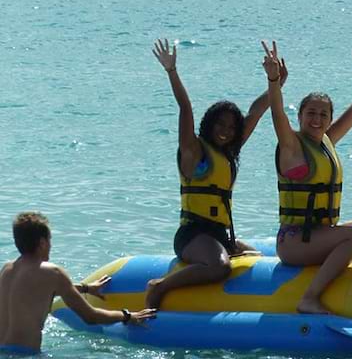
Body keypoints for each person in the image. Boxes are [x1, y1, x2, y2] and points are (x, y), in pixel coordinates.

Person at [262, 25, 352, 315]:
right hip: (295, 241)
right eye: (311, 113)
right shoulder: (292, 146)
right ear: (301, 116)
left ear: (329, 118)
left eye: (323, 114)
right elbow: (276, 113)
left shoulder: (326, 141)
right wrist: (272, 80)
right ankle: (309, 298)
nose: (317, 119)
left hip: (323, 235)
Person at [146, 38, 285, 308]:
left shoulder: (228, 153)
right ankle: (160, 285)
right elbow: (185, 108)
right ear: (209, 124)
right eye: (220, 124)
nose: (226, 130)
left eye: (232, 127)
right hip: (193, 233)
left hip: (220, 233)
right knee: (220, 267)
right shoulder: (193, 151)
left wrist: (275, 81)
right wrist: (172, 71)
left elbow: (255, 113)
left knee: (255, 256)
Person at [0, 212, 155, 355]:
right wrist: (127, 316)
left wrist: (86, 288)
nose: (51, 245)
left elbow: (34, 292)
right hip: (25, 354)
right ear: (42, 242)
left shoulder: (7, 269)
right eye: (50, 240)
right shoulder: (53, 272)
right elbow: (90, 316)